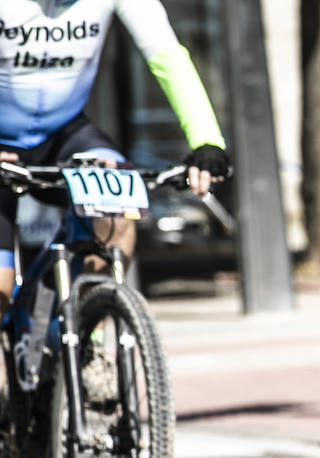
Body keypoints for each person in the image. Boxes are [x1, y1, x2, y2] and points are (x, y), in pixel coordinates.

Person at [0, 0, 232, 300]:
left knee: (118, 214)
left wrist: (206, 141)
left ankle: (86, 326)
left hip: (67, 132)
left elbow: (168, 58)